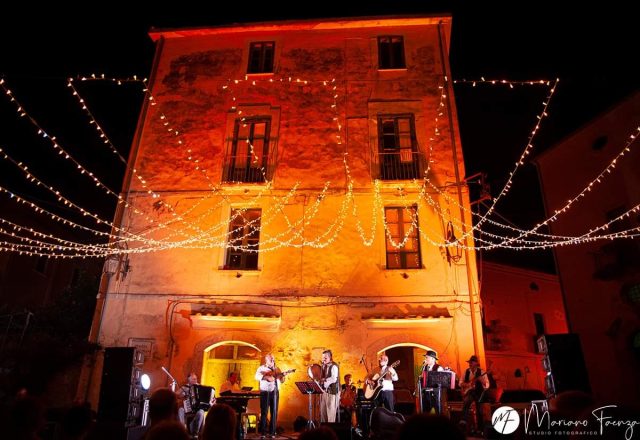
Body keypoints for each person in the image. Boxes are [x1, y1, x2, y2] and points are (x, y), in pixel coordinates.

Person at [459, 355, 489, 435]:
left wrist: (481, 380)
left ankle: (480, 429)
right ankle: (463, 422)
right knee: (466, 402)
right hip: (470, 392)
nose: (470, 364)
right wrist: (467, 385)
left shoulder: (482, 372)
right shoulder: (466, 372)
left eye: (471, 362)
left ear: (476, 363)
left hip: (479, 393)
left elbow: (487, 385)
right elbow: (460, 383)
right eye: (469, 362)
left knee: (479, 410)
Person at [255, 353, 282, 439]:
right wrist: (266, 377)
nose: (273, 361)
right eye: (271, 359)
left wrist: (282, 378)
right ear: (266, 360)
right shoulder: (261, 368)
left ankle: (272, 432)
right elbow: (256, 376)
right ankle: (263, 432)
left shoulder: (277, 368)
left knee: (274, 412)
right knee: (264, 412)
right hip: (265, 392)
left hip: (275, 392)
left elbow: (281, 380)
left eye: (273, 359)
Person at [177, 372, 212, 438]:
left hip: (197, 409)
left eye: (196, 379)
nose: (195, 381)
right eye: (193, 379)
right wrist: (181, 395)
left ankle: (196, 433)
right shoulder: (185, 387)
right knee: (180, 410)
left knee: (201, 411)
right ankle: (182, 430)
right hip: (187, 408)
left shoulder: (200, 387)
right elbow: (176, 394)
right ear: (189, 380)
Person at [319, 349, 340, 423]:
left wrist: (325, 382)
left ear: (330, 357)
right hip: (325, 392)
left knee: (331, 414)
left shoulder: (334, 366)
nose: (323, 359)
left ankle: (330, 431)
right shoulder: (325, 366)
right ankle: (324, 430)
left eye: (325, 358)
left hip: (332, 392)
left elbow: (334, 379)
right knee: (323, 412)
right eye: (323, 358)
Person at [421, 350, 444, 414]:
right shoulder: (424, 367)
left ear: (433, 359)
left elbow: (441, 381)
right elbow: (422, 379)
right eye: (426, 357)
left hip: (435, 393)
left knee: (436, 410)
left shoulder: (438, 368)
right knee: (426, 410)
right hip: (426, 393)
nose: (426, 359)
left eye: (427, 357)